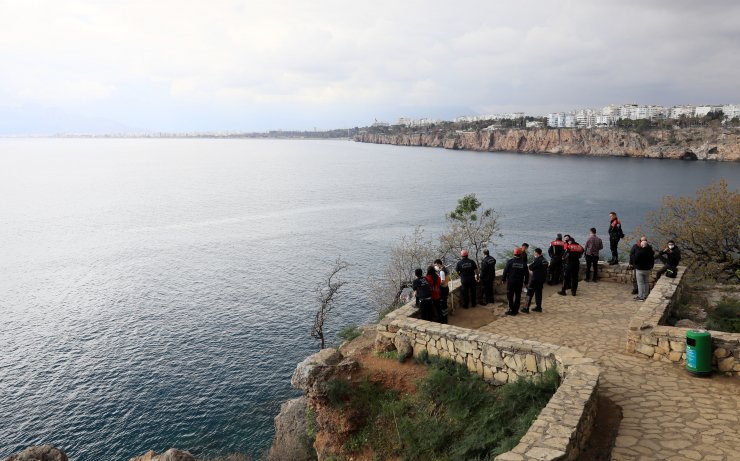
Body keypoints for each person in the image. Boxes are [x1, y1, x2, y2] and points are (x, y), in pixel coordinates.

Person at [501, 247, 529, 315]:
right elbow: (527, 274)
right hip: (519, 283)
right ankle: (515, 310)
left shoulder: (510, 262)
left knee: (510, 296)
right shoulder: (523, 263)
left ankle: (511, 309)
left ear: (514, 253)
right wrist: (526, 282)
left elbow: (505, 271)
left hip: (511, 283)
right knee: (518, 296)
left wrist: (503, 279)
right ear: (520, 254)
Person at [524, 248, 548, 313]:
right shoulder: (545, 260)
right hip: (542, 279)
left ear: (537, 253)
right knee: (538, 293)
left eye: (534, 253)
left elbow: (530, 267)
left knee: (529, 293)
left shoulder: (538, 260)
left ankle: (526, 308)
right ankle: (538, 307)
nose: (534, 254)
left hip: (535, 279)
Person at [434, 259, 450, 323]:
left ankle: (444, 319)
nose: (435, 266)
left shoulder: (442, 272)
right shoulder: (446, 269)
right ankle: (445, 318)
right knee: (444, 304)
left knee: (442, 305)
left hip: (443, 289)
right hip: (446, 288)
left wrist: (436, 284)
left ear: (439, 264)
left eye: (435, 265)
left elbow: (442, 282)